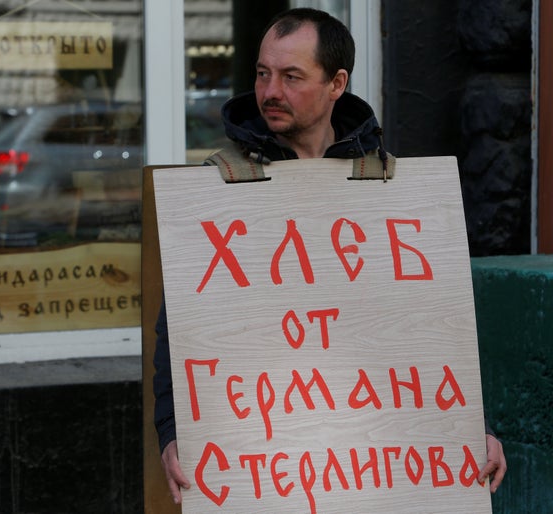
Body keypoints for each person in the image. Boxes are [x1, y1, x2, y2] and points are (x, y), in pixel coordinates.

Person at [153, 7, 507, 504]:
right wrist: (172, 434)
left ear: (336, 83)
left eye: (291, 76)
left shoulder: (389, 190)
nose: (270, 91)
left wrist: (476, 428)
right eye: (262, 73)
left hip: (373, 475)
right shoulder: (219, 192)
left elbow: (432, 330)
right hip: (266, 474)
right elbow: (182, 335)